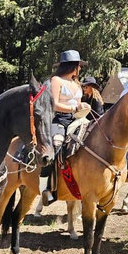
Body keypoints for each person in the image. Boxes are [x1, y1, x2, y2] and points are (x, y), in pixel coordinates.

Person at [41, 50, 90, 205]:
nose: (80, 69)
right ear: (72, 66)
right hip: (59, 121)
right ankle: (46, 188)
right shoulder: (56, 80)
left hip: (78, 119)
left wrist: (82, 106)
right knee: (54, 149)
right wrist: (73, 109)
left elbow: (76, 104)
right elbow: (54, 104)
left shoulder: (76, 83)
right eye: (78, 66)